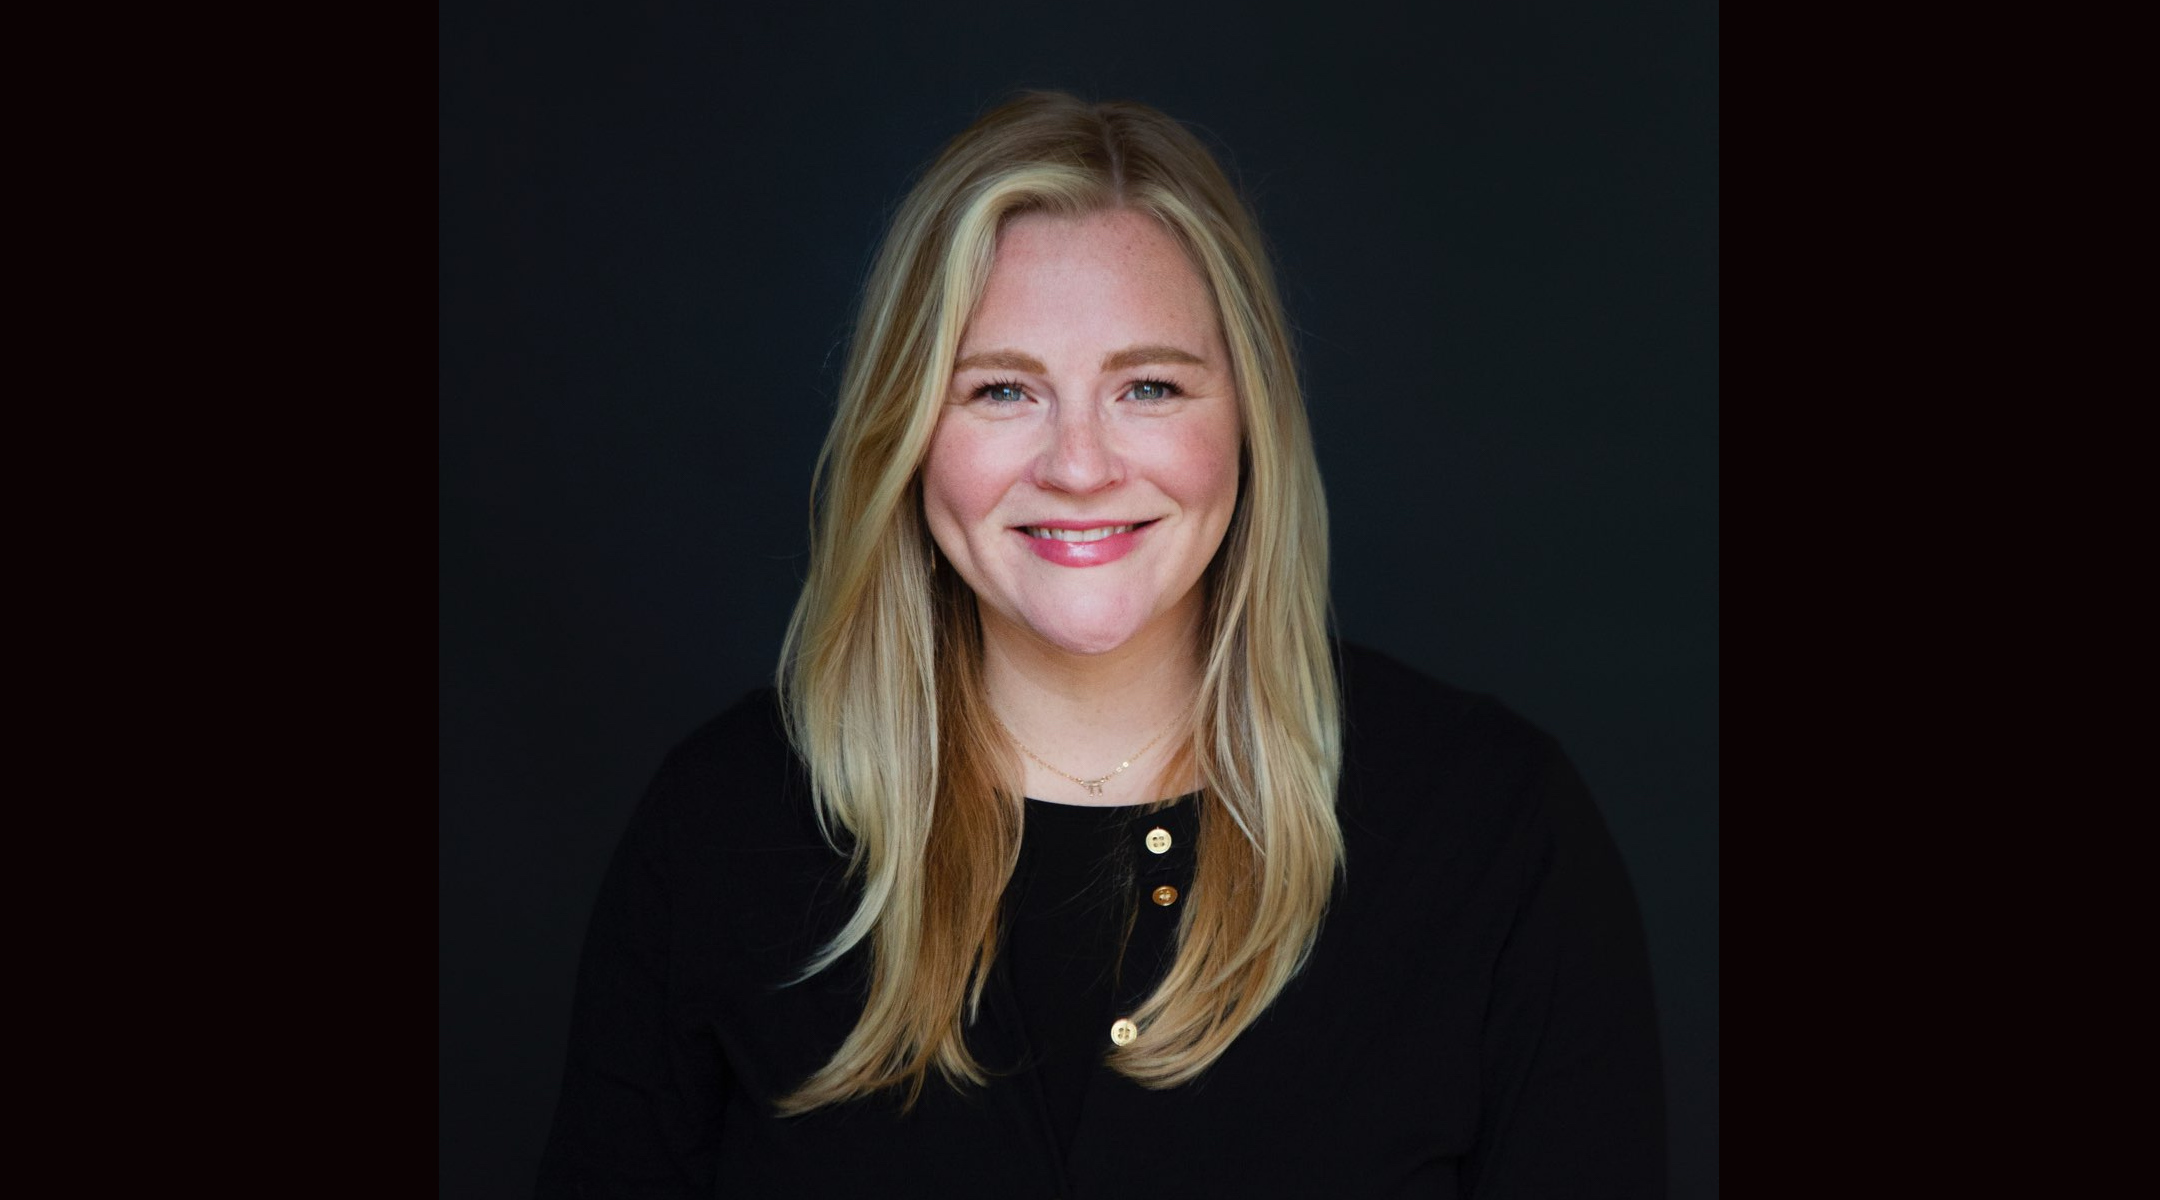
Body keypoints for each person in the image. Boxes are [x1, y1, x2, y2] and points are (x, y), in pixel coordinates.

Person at [537, 91, 1664, 1198]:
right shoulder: (723, 828)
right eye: (1003, 390)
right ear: (909, 429)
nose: (1079, 465)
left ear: (1248, 421)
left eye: (1150, 386)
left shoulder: (1491, 831)